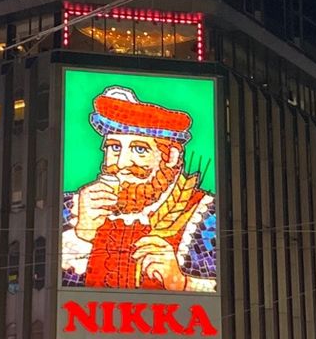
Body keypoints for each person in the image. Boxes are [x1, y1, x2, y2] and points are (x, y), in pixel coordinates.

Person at [60, 85, 216, 291]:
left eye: (139, 149)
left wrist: (182, 281)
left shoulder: (206, 214)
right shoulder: (71, 207)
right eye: (114, 147)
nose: (122, 163)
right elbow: (44, 284)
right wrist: (82, 234)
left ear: (171, 157)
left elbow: (231, 289)